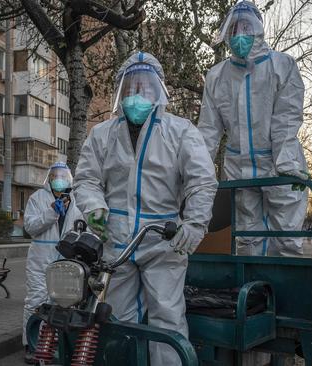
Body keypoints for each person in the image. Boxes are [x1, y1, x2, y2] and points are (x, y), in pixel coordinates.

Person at [73, 51, 217, 365]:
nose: (137, 95)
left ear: (158, 90)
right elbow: (85, 179)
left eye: (145, 88)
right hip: (117, 243)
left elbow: (202, 181)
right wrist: (95, 207)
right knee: (116, 319)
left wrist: (193, 225)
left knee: (167, 318)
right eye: (130, 88)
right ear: (120, 91)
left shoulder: (180, 131)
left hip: (163, 239)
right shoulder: (102, 134)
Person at [198, 1, 309, 257]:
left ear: (258, 30)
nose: (239, 35)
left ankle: (287, 295)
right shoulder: (217, 76)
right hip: (239, 169)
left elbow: (287, 118)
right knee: (247, 241)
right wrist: (198, 173)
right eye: (234, 29)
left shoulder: (282, 66)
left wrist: (286, 163)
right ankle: (254, 293)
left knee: (287, 239)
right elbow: (208, 130)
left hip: (277, 164)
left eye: (246, 27)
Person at [22, 162, 82, 363]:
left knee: (62, 302)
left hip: (66, 257)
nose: (59, 179)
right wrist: (51, 214)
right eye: (55, 176)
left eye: (63, 176)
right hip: (40, 255)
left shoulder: (76, 201)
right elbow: (30, 227)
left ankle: (54, 343)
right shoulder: (37, 198)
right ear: (49, 179)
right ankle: (32, 343)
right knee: (37, 300)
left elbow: (83, 228)